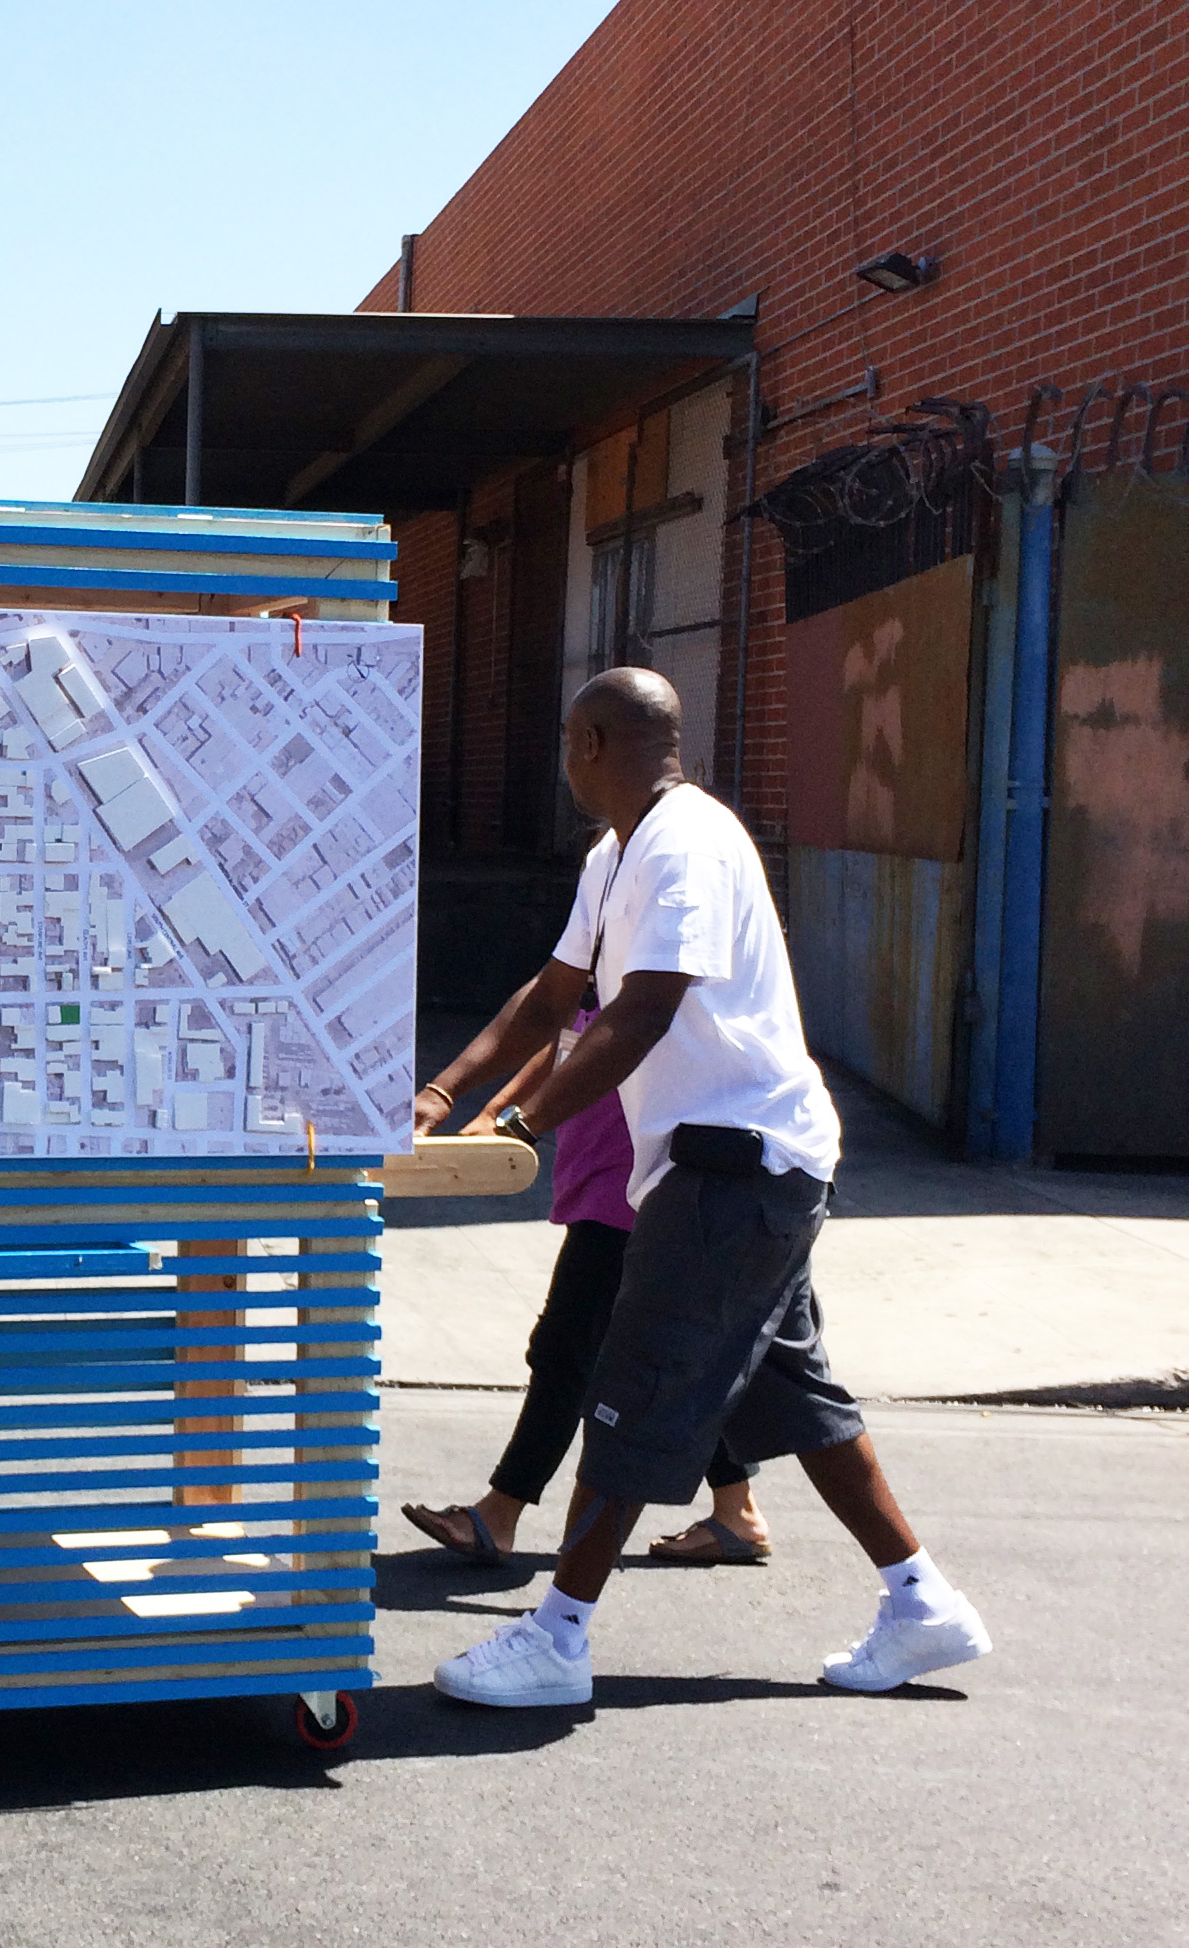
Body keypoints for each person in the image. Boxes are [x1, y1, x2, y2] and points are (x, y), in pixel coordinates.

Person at [411, 666, 990, 1708]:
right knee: (795, 1395)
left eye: (563, 743)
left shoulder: (689, 843)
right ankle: (922, 1603)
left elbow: (641, 1014)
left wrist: (524, 1123)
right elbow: (554, 997)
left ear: (591, 742)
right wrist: (444, 1090)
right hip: (739, 1164)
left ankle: (556, 1638)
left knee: (634, 1387)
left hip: (738, 1164)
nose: (562, 761)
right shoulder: (615, 853)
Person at [399, 1021, 773, 1570]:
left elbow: (607, 1042)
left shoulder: (655, 969)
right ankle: (737, 1509)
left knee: (565, 1352)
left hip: (636, 1185)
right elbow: (568, 1041)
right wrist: (494, 1116)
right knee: (682, 1355)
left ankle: (499, 1514)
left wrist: (512, 1121)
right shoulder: (610, 964)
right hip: (615, 1179)